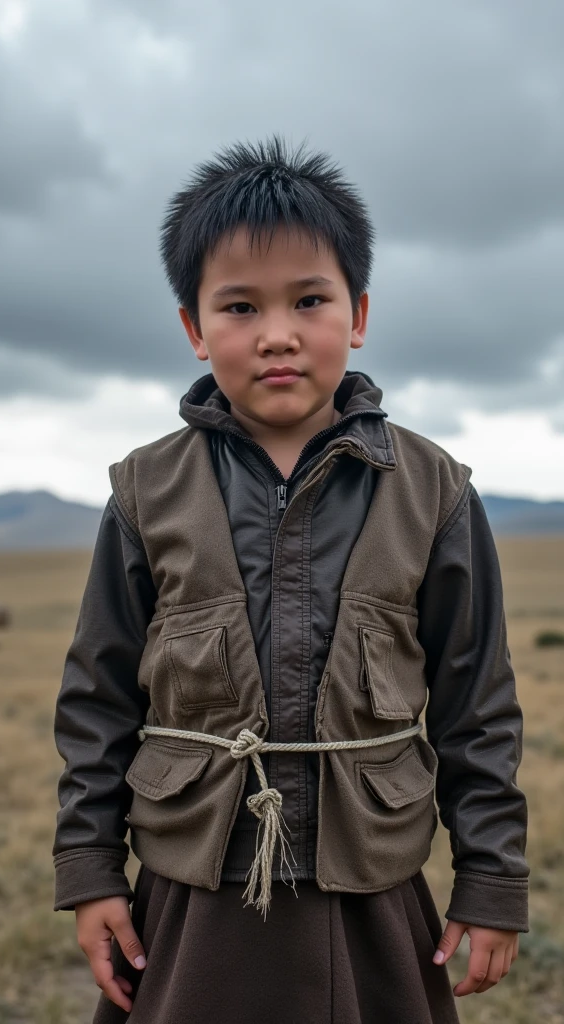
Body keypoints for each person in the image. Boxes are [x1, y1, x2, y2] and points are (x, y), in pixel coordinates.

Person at [52, 135, 529, 1024]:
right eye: (238, 306)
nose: (276, 334)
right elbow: (97, 699)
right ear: (195, 329)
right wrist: (89, 873)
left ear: (358, 314)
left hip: (371, 893)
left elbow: (477, 702)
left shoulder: (433, 491)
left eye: (310, 299)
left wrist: (492, 877)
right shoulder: (144, 492)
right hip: (193, 895)